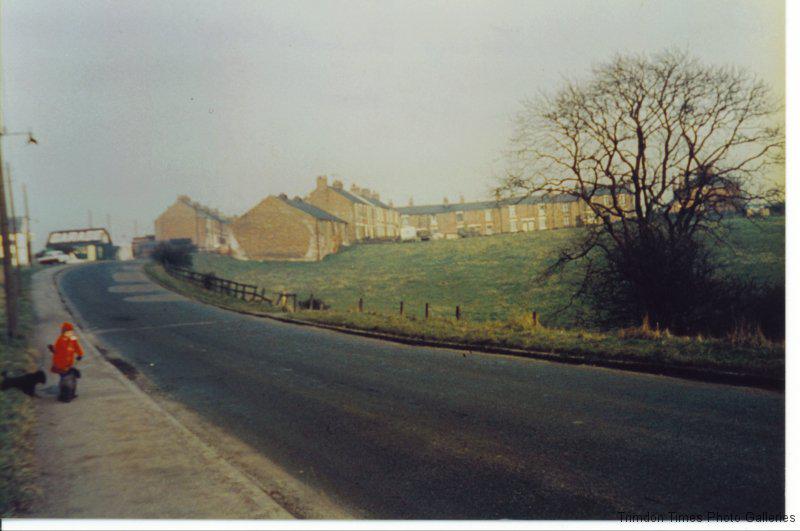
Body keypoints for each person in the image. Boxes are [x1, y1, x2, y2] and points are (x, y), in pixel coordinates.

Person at [49, 322, 84, 402]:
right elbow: (56, 350)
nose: (70, 333)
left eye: (70, 331)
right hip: (61, 364)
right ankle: (65, 395)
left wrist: (80, 354)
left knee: (70, 378)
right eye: (68, 332)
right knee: (65, 379)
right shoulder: (60, 340)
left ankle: (69, 393)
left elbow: (76, 346)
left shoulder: (72, 338)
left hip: (69, 364)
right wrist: (52, 349)